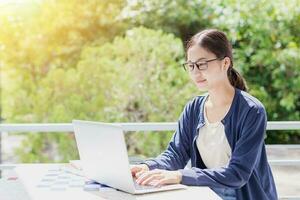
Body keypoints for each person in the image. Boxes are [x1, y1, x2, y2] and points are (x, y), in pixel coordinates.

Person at [130, 29, 278, 200]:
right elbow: (175, 155)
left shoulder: (252, 111)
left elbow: (238, 173)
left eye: (202, 64)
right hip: (209, 194)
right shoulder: (193, 108)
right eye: (191, 65)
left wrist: (180, 176)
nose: (195, 72)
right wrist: (146, 167)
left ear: (225, 63)